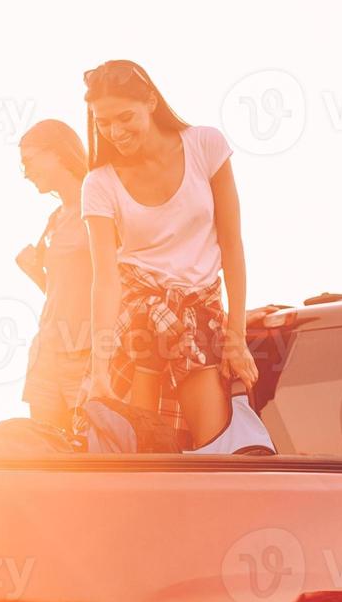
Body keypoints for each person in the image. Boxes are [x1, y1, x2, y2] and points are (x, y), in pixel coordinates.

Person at [79, 59, 259, 450]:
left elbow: (232, 245)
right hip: (139, 323)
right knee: (142, 461)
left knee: (216, 457)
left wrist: (236, 336)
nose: (115, 131)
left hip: (200, 320)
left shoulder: (205, 145)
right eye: (103, 123)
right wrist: (98, 370)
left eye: (124, 117)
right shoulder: (99, 183)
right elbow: (105, 281)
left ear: (150, 102)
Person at [16, 120, 93, 433]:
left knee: (89, 450)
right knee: (44, 451)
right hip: (47, 348)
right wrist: (35, 273)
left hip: (85, 351)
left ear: (57, 153)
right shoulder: (54, 218)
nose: (26, 172)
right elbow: (63, 289)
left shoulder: (99, 210)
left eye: (29, 161)